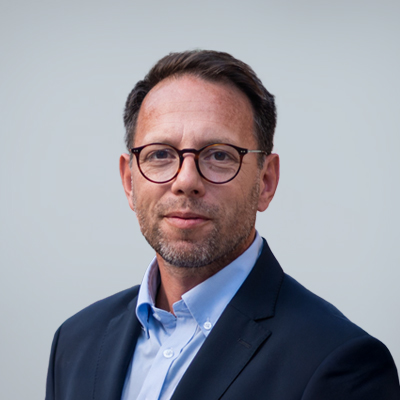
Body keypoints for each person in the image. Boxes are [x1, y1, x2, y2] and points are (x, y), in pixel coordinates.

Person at [45, 50, 400, 400]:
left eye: (218, 155)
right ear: (129, 182)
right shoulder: (75, 342)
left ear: (266, 182)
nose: (186, 181)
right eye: (160, 154)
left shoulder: (340, 363)